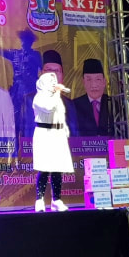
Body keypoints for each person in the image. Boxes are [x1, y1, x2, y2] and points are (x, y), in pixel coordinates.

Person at [32, 73, 73, 212]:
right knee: (45, 168)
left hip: (58, 134)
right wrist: (57, 93)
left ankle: (57, 200)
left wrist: (65, 127)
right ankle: (39, 200)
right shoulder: (39, 98)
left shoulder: (56, 98)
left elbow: (60, 113)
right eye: (50, 82)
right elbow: (49, 108)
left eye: (54, 81)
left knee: (57, 168)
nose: (53, 84)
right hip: (45, 134)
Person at [22, 50, 78, 137]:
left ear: (62, 75)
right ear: (40, 73)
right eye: (48, 70)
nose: (53, 75)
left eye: (57, 71)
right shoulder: (28, 101)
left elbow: (75, 136)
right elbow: (25, 134)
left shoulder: (69, 104)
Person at [73, 58, 113, 137]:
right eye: (89, 80)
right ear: (83, 82)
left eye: (98, 79)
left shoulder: (113, 104)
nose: (93, 85)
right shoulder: (74, 105)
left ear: (104, 82)